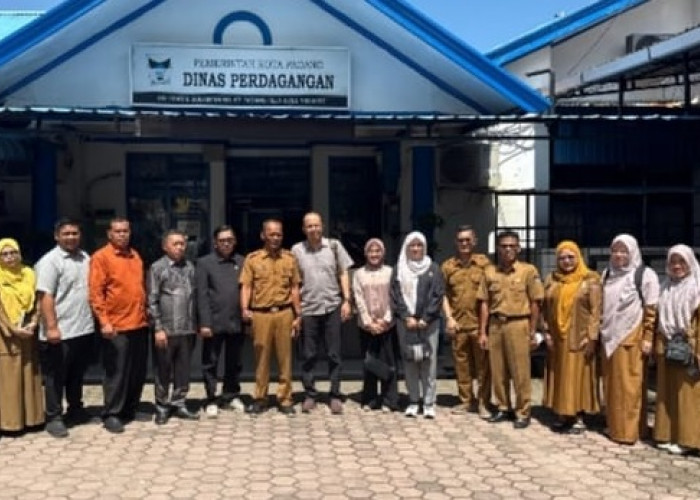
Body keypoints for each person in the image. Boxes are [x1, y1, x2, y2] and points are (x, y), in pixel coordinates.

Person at [477, 230, 544, 429]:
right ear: (497, 248)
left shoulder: (528, 271)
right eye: (504, 246)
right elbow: (484, 303)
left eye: (512, 246)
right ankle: (503, 407)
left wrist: (533, 331)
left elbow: (536, 302)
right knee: (498, 370)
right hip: (496, 324)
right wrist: (482, 332)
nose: (508, 249)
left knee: (520, 371)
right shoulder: (489, 272)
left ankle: (523, 411)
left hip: (518, 324)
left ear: (519, 248)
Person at [35, 218, 95, 438]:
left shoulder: (85, 257)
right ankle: (54, 417)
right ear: (57, 236)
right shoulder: (50, 262)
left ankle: (75, 409)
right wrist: (51, 327)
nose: (71, 237)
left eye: (75, 233)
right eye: (66, 234)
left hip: (82, 328)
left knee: (76, 374)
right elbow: (45, 296)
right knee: (55, 376)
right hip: (60, 331)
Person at [89, 217, 149, 434]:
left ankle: (130, 408)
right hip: (116, 326)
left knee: (137, 371)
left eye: (126, 231)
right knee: (117, 372)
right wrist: (104, 322)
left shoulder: (135, 256)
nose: (122, 235)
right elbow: (96, 293)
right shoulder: (101, 257)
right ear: (109, 234)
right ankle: (112, 413)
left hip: (139, 323)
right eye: (118, 231)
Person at [292, 212, 353, 414]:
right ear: (304, 229)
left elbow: (343, 272)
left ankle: (334, 395)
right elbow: (294, 282)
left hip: (332, 306)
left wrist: (347, 300)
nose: (313, 229)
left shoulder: (334, 246)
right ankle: (310, 394)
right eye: (309, 226)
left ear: (322, 226)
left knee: (334, 354)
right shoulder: (297, 250)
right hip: (308, 308)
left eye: (316, 225)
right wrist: (297, 312)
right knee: (308, 355)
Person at [600, 234, 658, 445]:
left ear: (633, 252)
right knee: (612, 386)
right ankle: (616, 426)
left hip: (631, 336)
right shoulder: (608, 273)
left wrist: (648, 337)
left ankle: (628, 432)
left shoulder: (645, 275)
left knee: (630, 386)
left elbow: (651, 309)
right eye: (615, 250)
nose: (618, 255)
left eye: (624, 251)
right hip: (609, 337)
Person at [240, 219, 302, 415]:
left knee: (285, 359)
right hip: (261, 314)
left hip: (284, 313)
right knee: (262, 359)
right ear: (263, 235)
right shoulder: (253, 259)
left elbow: (294, 288)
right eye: (271, 234)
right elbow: (247, 286)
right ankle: (260, 398)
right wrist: (244, 308)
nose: (275, 238)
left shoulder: (289, 258)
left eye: (279, 234)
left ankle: (285, 398)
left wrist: (298, 315)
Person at [542, 240, 601, 434]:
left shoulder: (590, 280)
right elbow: (545, 308)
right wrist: (546, 332)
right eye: (562, 258)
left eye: (570, 257)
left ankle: (578, 416)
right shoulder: (552, 280)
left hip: (579, 337)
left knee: (577, 377)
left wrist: (592, 337)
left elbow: (596, 311)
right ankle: (562, 414)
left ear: (578, 257)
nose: (566, 261)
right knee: (560, 376)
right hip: (557, 338)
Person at [391, 231, 444, 419]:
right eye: (412, 245)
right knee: (410, 360)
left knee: (429, 361)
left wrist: (425, 319)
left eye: (419, 245)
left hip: (429, 323)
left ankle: (429, 402)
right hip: (406, 323)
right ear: (406, 248)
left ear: (424, 247)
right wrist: (407, 317)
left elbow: (437, 295)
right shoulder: (399, 269)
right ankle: (413, 400)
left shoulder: (433, 268)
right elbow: (395, 295)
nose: (415, 249)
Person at [148, 230, 199, 425]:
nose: (180, 247)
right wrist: (158, 328)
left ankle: (179, 403)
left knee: (183, 369)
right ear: (165, 246)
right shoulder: (157, 268)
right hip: (166, 330)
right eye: (175, 244)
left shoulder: (190, 266)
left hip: (187, 329)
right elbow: (152, 300)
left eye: (182, 244)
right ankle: (162, 406)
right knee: (163, 369)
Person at [654, 244, 700, 455]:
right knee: (667, 392)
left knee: (688, 394)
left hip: (688, 346)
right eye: (673, 262)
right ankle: (668, 434)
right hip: (667, 344)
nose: (677, 266)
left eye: (682, 262)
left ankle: (689, 440)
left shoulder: (696, 288)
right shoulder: (665, 287)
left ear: (690, 263)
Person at [441, 225, 491, 419]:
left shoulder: (484, 265)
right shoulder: (448, 267)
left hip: (479, 325)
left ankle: (484, 403)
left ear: (474, 241)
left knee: (483, 367)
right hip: (458, 325)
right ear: (456, 242)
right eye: (461, 240)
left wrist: (485, 327)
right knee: (462, 366)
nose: (464, 243)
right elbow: (443, 295)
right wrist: (449, 318)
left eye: (467, 240)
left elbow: (490, 293)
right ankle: (466, 400)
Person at [197, 225, 246, 418]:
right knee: (210, 362)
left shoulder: (242, 261)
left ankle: (231, 395)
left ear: (235, 242)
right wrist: (204, 323)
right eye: (222, 240)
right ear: (215, 243)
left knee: (235, 362)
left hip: (236, 321)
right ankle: (211, 398)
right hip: (213, 323)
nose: (226, 243)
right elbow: (201, 295)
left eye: (230, 240)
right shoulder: (204, 263)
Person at [0, 238, 44, 434]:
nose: (10, 257)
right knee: (9, 378)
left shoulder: (29, 273)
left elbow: (37, 301)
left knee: (29, 373)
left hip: (28, 332)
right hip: (5, 335)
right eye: (4, 254)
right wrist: (11, 329)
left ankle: (32, 419)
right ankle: (10, 423)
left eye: (13, 253)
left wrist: (34, 322)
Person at [353, 238, 399, 412]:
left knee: (388, 362)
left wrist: (385, 320)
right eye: (371, 251)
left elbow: (394, 297)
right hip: (367, 326)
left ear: (383, 253)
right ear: (366, 254)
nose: (374, 254)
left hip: (387, 325)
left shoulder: (390, 272)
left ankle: (389, 400)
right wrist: (368, 322)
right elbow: (358, 299)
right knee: (369, 362)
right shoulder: (359, 274)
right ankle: (370, 399)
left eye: (377, 251)